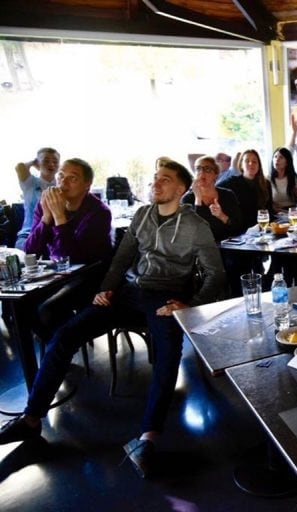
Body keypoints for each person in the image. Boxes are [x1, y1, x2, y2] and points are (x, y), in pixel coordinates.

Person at [0, 159, 226, 479]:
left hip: (166, 296)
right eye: (154, 178)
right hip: (129, 292)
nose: (155, 183)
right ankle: (31, 419)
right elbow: (121, 259)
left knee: (168, 353)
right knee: (66, 336)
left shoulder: (195, 226)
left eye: (165, 179)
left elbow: (216, 274)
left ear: (181, 188)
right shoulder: (142, 215)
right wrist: (106, 290)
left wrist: (190, 304)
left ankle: (147, 438)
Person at [24, 158, 113, 342]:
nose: (63, 183)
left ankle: (63, 346)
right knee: (23, 306)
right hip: (55, 275)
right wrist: (47, 217)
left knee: (47, 310)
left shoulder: (98, 212)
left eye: (72, 178)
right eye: (61, 176)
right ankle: (57, 347)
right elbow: (31, 251)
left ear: (87, 185)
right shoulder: (45, 205)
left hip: (89, 276)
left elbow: (73, 259)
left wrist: (59, 217)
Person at [181, 155, 243, 241]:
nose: (202, 173)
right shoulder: (187, 199)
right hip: (199, 249)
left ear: (216, 174)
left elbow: (238, 228)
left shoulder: (228, 195)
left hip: (227, 247)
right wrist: (198, 200)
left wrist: (222, 216)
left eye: (207, 169)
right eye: (198, 169)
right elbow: (194, 231)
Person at [14, 147, 59, 249]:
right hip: (29, 233)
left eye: (55, 161)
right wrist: (34, 162)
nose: (51, 164)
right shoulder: (30, 183)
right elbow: (19, 167)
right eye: (46, 161)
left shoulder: (61, 186)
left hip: (54, 234)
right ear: (38, 164)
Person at [218, 148, 271, 229]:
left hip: (263, 227)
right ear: (241, 165)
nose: (251, 164)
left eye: (254, 162)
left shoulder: (266, 183)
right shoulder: (232, 182)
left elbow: (269, 209)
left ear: (259, 165)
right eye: (247, 161)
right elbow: (215, 189)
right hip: (242, 229)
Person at [269, 147, 297, 211]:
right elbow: (268, 203)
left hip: (293, 210)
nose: (277, 160)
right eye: (275, 157)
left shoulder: (293, 177)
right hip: (276, 212)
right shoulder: (268, 179)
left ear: (287, 162)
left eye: (281, 157)